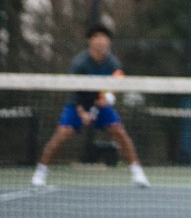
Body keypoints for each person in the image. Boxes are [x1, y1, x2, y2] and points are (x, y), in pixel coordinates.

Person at [32, 24, 150, 189]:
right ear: (90, 41)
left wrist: (109, 97)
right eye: (97, 37)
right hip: (77, 103)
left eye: (104, 37)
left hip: (100, 106)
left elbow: (116, 83)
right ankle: (41, 171)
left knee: (119, 132)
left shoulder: (112, 63)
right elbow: (74, 92)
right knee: (62, 135)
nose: (101, 41)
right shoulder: (79, 63)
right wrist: (82, 113)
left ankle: (137, 172)